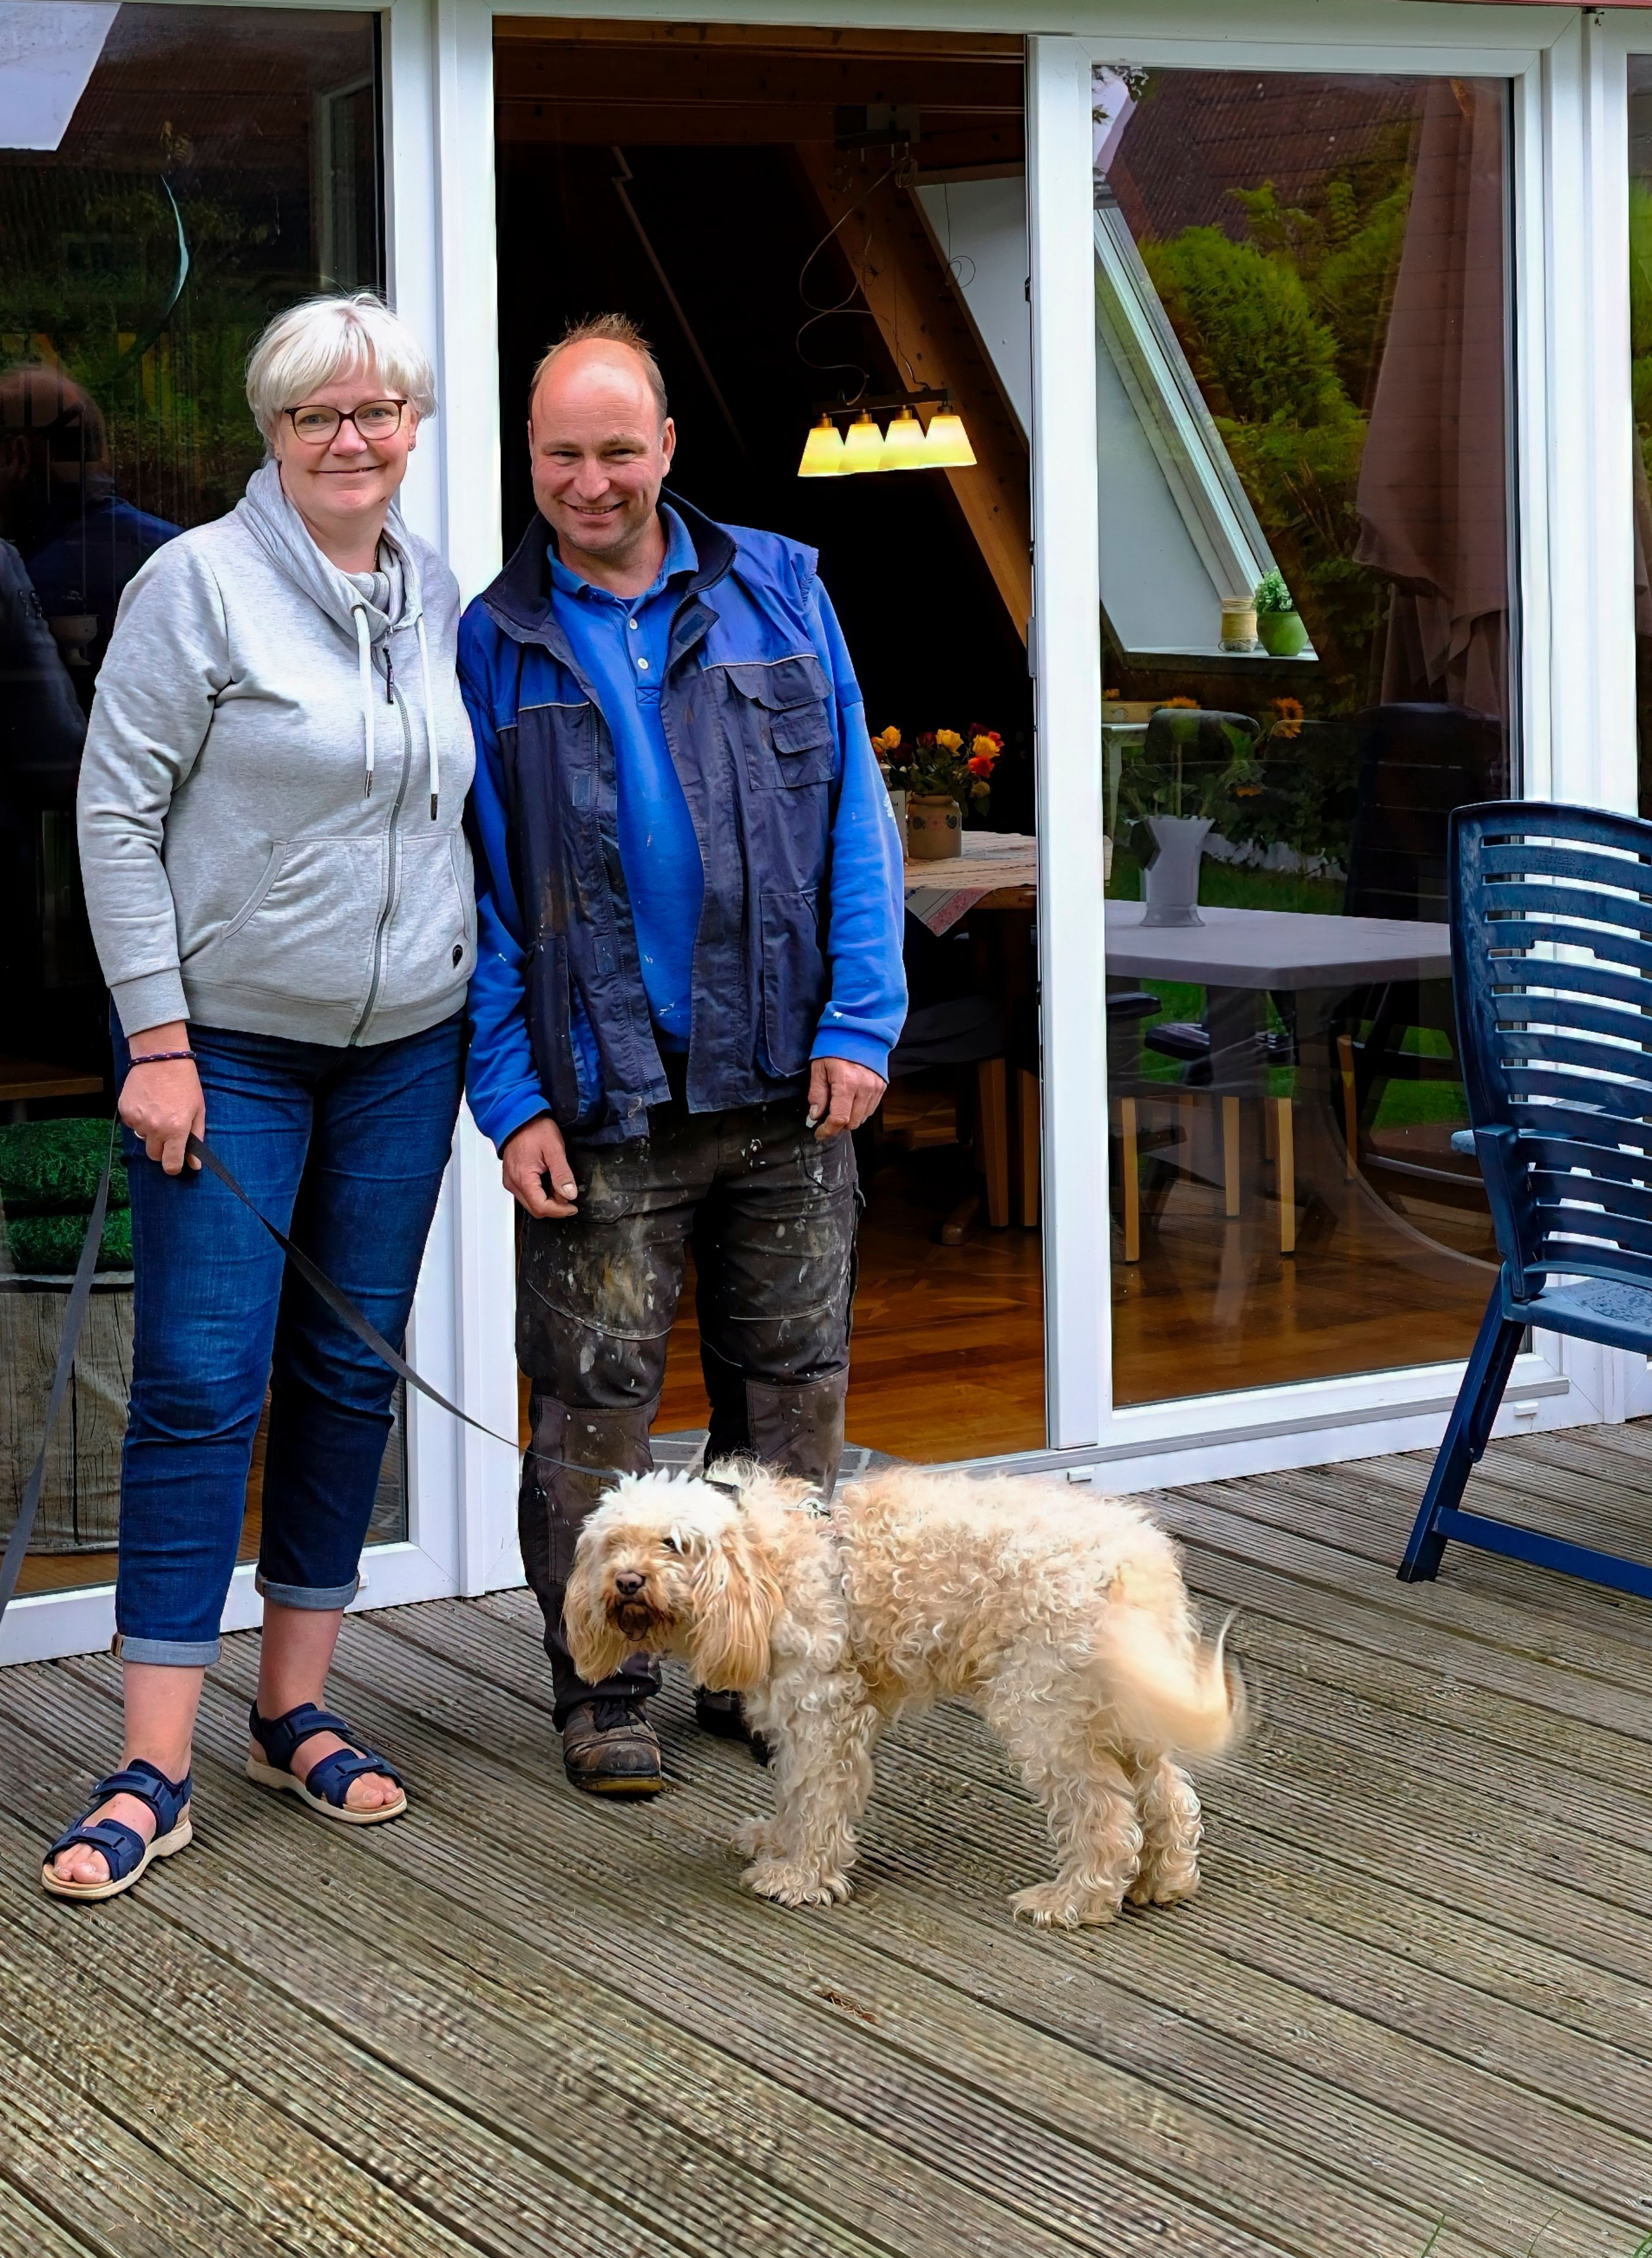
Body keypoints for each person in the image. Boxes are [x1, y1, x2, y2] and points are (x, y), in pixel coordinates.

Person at [45, 292, 476, 1900]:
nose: (351, 439)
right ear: (273, 433)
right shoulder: (197, 585)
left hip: (407, 1046)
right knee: (199, 1384)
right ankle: (151, 1759)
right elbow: (113, 815)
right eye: (316, 415)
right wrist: (156, 1041)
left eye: (378, 411)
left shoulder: (436, 593)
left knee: (349, 1375)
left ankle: (293, 1708)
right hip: (225, 1047)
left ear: (413, 426)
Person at [461, 312, 906, 1796]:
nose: (591, 482)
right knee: (592, 1410)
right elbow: (483, 892)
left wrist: (862, 1019)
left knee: (789, 1402)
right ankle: (605, 1689)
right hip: (605, 1095)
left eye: (617, 450)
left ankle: (757, 1664)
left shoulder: (782, 589)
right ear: (531, 456)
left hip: (786, 1080)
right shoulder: (492, 638)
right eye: (563, 454)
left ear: (666, 445)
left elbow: (857, 822)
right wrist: (512, 1096)